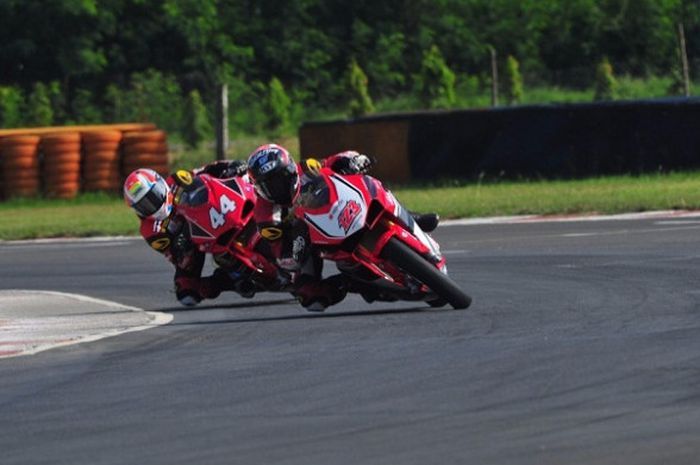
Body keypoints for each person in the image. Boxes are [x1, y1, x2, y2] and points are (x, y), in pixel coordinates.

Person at [246, 143, 439, 311]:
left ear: (290, 169)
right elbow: (282, 256)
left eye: (280, 178)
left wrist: (353, 159)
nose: (278, 187)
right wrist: (297, 250)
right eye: (269, 185)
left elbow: (332, 162)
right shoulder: (265, 216)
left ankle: (412, 218)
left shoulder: (306, 167)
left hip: (333, 213)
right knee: (311, 299)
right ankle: (349, 283)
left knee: (373, 188)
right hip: (311, 244)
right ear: (259, 189)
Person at [123, 160, 251, 306]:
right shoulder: (151, 231)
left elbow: (206, 170)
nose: (151, 205)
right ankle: (228, 281)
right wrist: (180, 248)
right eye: (143, 205)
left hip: (215, 211)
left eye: (153, 196)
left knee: (246, 181)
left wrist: (231, 166)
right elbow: (174, 255)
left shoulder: (177, 179)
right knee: (187, 293)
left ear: (160, 185)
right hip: (194, 240)